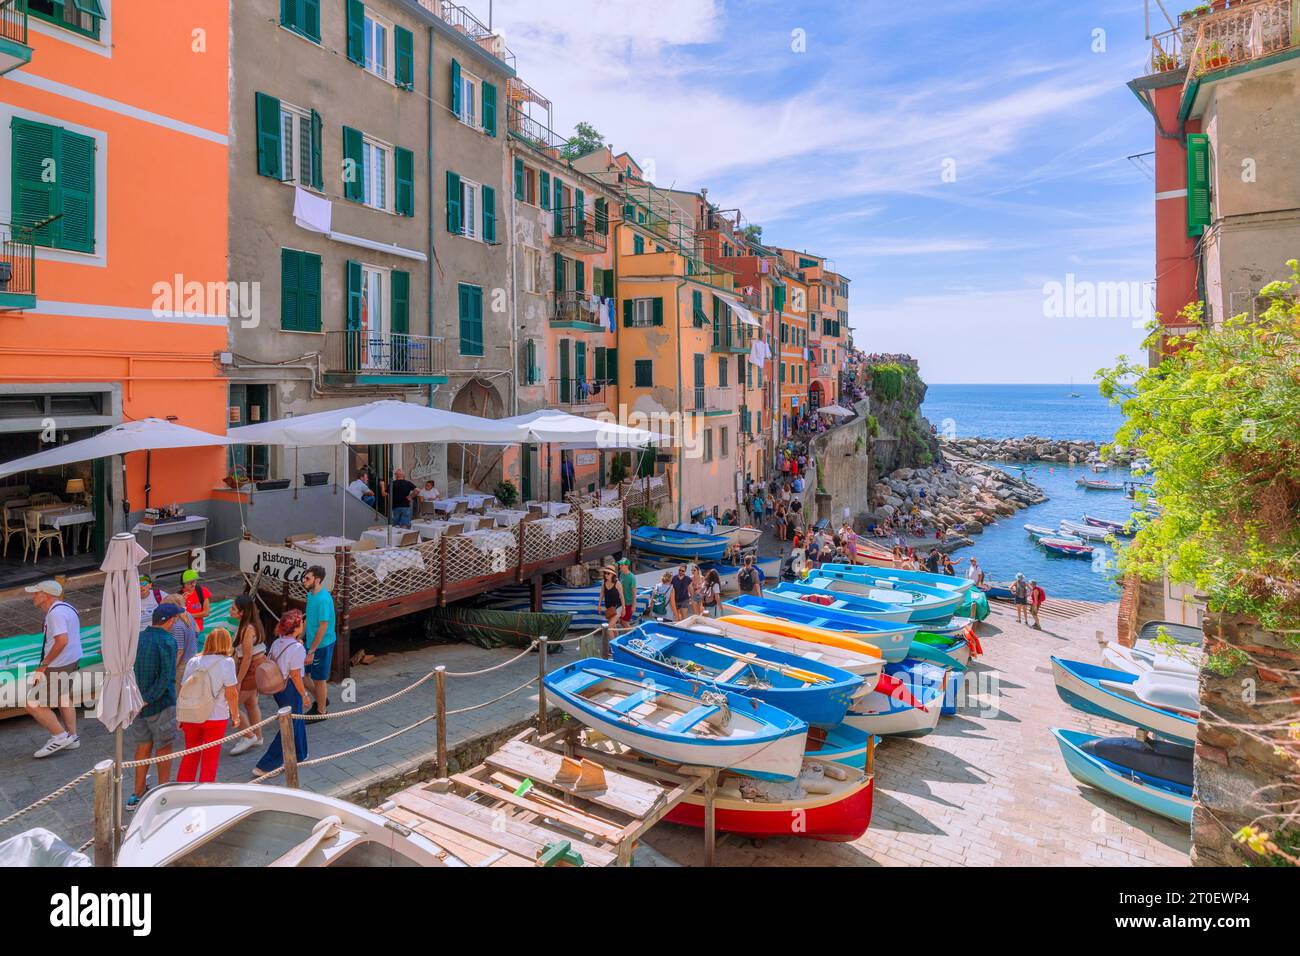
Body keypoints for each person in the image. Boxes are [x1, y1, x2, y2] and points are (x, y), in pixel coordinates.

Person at [128, 604, 182, 807]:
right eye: (175, 619)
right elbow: (167, 677)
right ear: (169, 620)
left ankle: (137, 793)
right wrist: (148, 698)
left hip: (138, 704)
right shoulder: (168, 641)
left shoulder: (138, 638)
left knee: (142, 747)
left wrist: (139, 700)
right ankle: (163, 791)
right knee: (164, 748)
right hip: (160, 704)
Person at [24, 581, 84, 759]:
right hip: (72, 659)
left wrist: (43, 665)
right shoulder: (66, 608)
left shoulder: (55, 615)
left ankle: (60, 736)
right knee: (63, 697)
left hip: (59, 663)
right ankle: (72, 738)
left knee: (33, 704)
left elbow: (62, 641)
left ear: (46, 595)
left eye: (36, 593)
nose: (33, 596)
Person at [176, 627, 241, 784]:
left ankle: (182, 790)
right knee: (210, 758)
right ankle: (205, 792)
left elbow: (183, 688)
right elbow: (231, 693)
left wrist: (180, 716)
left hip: (191, 714)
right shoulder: (227, 662)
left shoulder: (193, 661)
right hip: (216, 716)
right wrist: (235, 715)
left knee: (190, 754)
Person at [254, 610, 311, 777]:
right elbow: (295, 675)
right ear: (296, 628)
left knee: (297, 718)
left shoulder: (278, 642)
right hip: (290, 688)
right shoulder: (297, 648)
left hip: (278, 687)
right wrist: (304, 694)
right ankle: (267, 765)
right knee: (290, 724)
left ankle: (300, 753)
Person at [230, 594, 267, 755]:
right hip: (255, 667)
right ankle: (257, 737)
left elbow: (246, 658)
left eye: (233, 609)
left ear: (242, 612)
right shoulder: (250, 625)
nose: (230, 611)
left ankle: (249, 736)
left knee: (231, 706)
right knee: (251, 703)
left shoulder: (247, 629)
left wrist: (238, 680)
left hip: (251, 669)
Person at [301, 565, 336, 717]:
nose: (304, 581)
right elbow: (308, 618)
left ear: (317, 579)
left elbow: (323, 626)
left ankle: (321, 711)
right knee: (303, 675)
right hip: (310, 642)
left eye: (307, 578)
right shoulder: (310, 595)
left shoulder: (323, 599)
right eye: (304, 577)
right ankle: (321, 699)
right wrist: (299, 637)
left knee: (319, 679)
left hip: (322, 644)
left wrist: (312, 651)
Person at [180, 569, 212, 647]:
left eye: (195, 581)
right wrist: (182, 602)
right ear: (184, 583)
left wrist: (189, 615)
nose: (193, 584)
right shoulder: (179, 596)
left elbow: (206, 612)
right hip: (185, 632)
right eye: (190, 582)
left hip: (200, 632)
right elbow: (179, 616)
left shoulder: (202, 591)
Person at [616, 558, 638, 625]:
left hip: (628, 603)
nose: (620, 566)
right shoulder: (621, 574)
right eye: (620, 565)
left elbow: (634, 592)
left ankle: (632, 635)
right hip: (621, 602)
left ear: (626, 566)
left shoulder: (632, 577)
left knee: (624, 622)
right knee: (620, 621)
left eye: (622, 565)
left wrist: (634, 605)